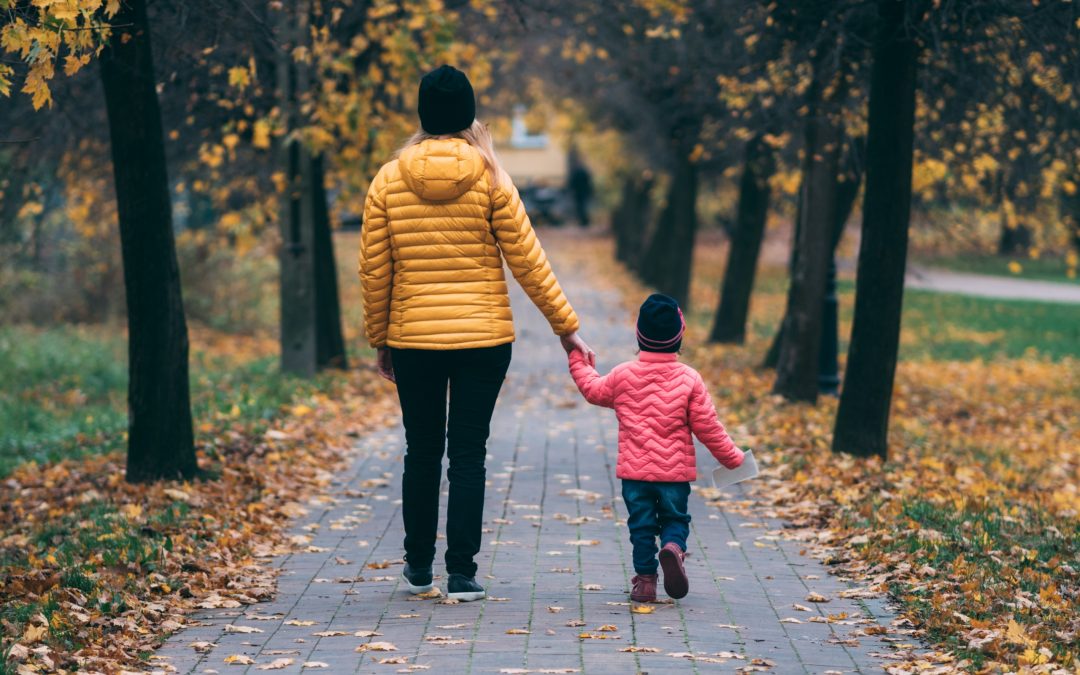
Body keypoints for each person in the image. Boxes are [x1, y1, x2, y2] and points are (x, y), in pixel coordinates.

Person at [358, 65, 595, 602]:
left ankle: (417, 568)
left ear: (423, 115)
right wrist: (566, 329)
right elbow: (529, 261)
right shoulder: (492, 177)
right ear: (468, 114)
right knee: (468, 454)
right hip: (483, 342)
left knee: (421, 451)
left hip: (413, 339)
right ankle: (461, 574)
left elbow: (375, 270)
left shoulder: (388, 180)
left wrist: (381, 338)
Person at [567, 293, 744, 602]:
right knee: (675, 520)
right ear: (679, 336)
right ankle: (673, 548)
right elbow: (708, 427)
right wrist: (733, 458)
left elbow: (593, 390)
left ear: (639, 335)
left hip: (635, 476)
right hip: (674, 476)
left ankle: (645, 582)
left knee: (641, 527)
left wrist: (576, 357)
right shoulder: (690, 379)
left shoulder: (623, 375)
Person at [567, 145, 594, 228]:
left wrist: (571, 190)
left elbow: (572, 182)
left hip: (578, 193)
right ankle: (585, 221)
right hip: (584, 192)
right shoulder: (584, 171)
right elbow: (589, 182)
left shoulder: (576, 172)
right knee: (584, 207)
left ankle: (583, 222)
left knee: (580, 207)